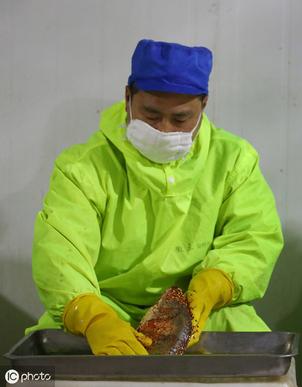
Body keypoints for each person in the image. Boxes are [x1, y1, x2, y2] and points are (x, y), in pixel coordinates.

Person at [27, 39, 284, 355]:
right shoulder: (83, 167)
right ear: (127, 98)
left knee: (256, 355)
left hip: (199, 309)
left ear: (203, 105)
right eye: (150, 114)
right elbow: (60, 251)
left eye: (180, 119)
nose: (163, 129)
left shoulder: (233, 160)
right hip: (106, 307)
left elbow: (254, 237)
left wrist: (215, 284)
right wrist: (91, 315)